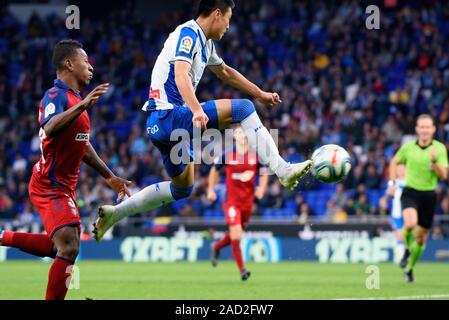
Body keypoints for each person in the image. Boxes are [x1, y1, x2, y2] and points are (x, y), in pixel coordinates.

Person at [93, 0, 311, 241]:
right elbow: (180, 74)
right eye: (228, 19)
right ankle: (282, 169)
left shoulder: (205, 44)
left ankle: (115, 214)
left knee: (183, 188)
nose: (228, 26)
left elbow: (225, 72)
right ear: (217, 14)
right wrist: (196, 109)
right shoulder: (188, 34)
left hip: (160, 126)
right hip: (170, 115)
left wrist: (260, 93)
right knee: (243, 109)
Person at [0, 39, 131, 300]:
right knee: (70, 245)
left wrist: (109, 176)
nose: (91, 67)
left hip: (63, 186)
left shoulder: (76, 101)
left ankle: (3, 236)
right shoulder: (55, 95)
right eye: (85, 61)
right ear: (69, 64)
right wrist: (82, 105)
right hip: (49, 185)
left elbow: (82, 145)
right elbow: (49, 127)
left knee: (60, 246)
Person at [388, 114, 448, 283]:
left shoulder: (439, 149)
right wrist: (392, 183)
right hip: (410, 191)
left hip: (428, 195)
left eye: (427, 127)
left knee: (421, 239)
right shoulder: (408, 148)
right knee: (410, 224)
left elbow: (443, 175)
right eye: (421, 127)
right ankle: (407, 250)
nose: (424, 130)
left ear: (433, 129)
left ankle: (409, 268)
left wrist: (435, 162)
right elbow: (394, 162)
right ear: (417, 129)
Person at [207, 125, 268, 280]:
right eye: (238, 132)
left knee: (236, 234)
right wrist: (211, 190)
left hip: (247, 204)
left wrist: (261, 188)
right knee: (237, 235)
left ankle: (217, 246)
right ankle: (242, 270)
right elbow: (214, 169)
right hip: (231, 202)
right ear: (234, 136)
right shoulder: (227, 154)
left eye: (243, 132)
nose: (241, 135)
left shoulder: (256, 155)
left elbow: (263, 172)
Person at [383, 164, 406, 263]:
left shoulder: (411, 181)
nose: (400, 170)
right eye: (398, 169)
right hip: (397, 213)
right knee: (400, 236)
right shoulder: (393, 182)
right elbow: (388, 194)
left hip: (408, 211)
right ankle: (401, 258)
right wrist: (384, 199)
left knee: (407, 236)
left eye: (402, 168)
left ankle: (404, 256)